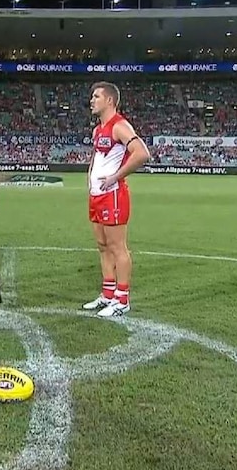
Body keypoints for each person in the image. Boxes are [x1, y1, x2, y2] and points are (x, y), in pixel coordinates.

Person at [82, 81, 151, 317]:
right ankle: (108, 294)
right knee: (102, 246)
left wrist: (115, 177)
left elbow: (142, 153)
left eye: (96, 96)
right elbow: (95, 158)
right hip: (96, 195)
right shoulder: (97, 129)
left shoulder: (119, 126)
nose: (92, 100)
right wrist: (89, 179)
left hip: (113, 195)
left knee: (117, 247)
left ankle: (122, 299)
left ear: (109, 100)